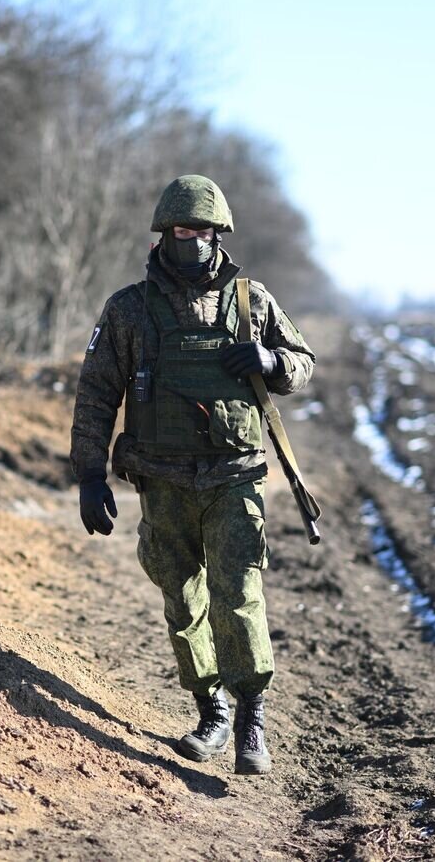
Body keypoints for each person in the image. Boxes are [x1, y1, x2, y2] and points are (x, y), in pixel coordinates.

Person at [69, 174, 316, 775]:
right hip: (162, 481)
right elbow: (97, 393)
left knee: (239, 598)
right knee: (181, 600)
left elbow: (302, 362)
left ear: (219, 235)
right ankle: (211, 710)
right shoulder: (130, 309)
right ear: (164, 235)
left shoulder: (251, 302)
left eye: (203, 231)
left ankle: (251, 721)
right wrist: (90, 475)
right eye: (183, 231)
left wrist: (271, 360)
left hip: (235, 479)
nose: (194, 241)